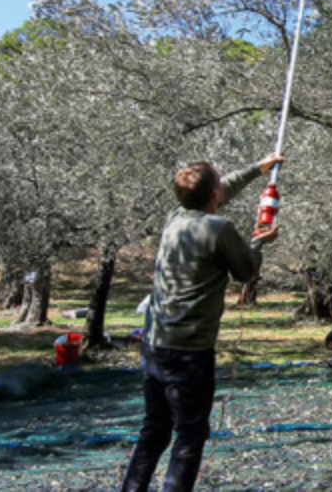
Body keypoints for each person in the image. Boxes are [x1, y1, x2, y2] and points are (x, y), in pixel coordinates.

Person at [121, 154, 284, 492]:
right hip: (190, 352)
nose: (221, 190)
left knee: (154, 429)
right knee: (191, 434)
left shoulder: (175, 217)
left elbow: (218, 188)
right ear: (213, 196)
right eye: (218, 187)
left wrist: (258, 169)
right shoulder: (218, 228)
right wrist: (259, 242)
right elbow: (245, 271)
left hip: (154, 344)